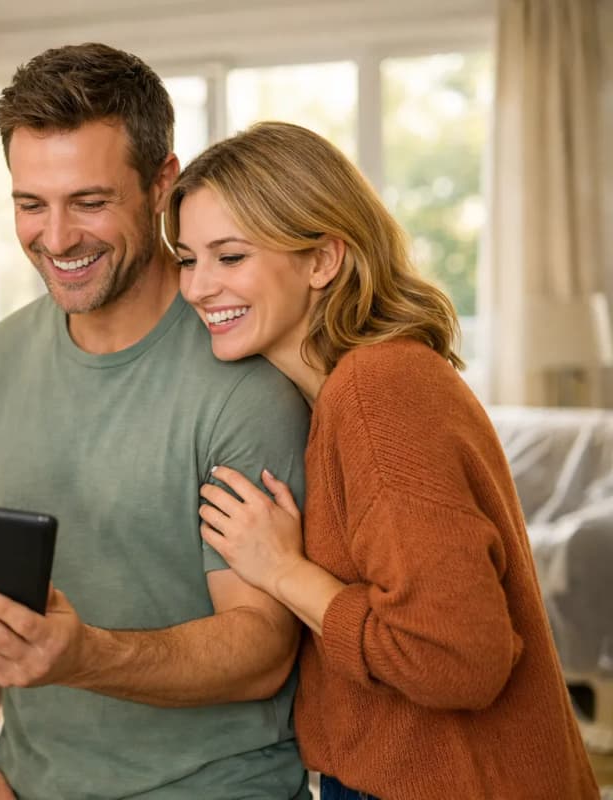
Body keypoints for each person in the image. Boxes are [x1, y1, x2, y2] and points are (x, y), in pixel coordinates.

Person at [167, 121, 600, 800]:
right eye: (188, 259)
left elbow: (458, 660)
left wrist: (284, 571)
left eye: (229, 256)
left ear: (322, 260)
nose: (196, 287)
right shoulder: (336, 398)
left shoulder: (379, 391)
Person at [0, 44, 313, 799]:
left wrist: (82, 657)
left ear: (162, 184)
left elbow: (263, 647)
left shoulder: (244, 376)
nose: (58, 237)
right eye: (30, 204)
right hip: (29, 780)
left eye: (91, 202)